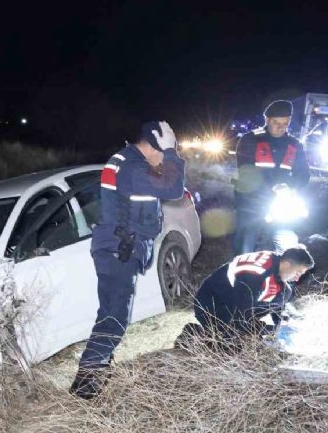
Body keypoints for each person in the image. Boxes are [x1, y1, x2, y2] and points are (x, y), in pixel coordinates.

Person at [69, 120, 186, 399]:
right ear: (155, 144)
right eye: (164, 148)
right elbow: (173, 189)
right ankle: (87, 385)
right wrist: (171, 153)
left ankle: (96, 373)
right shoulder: (132, 167)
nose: (163, 159)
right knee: (114, 317)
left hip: (116, 248)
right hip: (118, 250)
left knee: (110, 313)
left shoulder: (126, 162)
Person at [177, 246, 314, 351]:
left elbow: (277, 309)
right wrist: (265, 330)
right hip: (212, 303)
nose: (297, 278)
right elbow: (241, 315)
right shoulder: (255, 273)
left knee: (285, 294)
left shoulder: (279, 277)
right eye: (298, 272)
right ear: (286, 264)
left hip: (236, 303)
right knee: (231, 348)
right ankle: (194, 333)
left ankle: (238, 333)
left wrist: (283, 325)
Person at [232, 100, 310, 255]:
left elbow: (303, 174)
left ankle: (279, 276)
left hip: (281, 203)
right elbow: (246, 171)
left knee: (285, 243)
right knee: (246, 244)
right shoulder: (250, 140)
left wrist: (292, 188)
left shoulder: (295, 145)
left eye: (285, 123)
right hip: (251, 201)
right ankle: (241, 273)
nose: (280, 127)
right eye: (276, 122)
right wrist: (273, 187)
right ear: (267, 120)